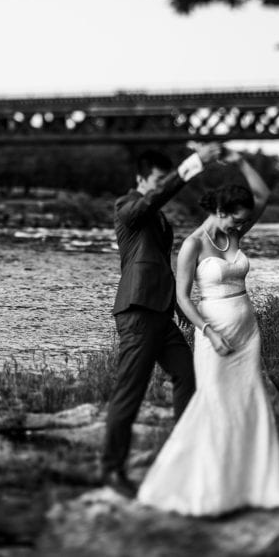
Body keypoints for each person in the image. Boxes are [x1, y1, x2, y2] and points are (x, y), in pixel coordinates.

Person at [136, 148, 279, 516]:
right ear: (219, 213)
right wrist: (207, 331)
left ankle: (250, 486)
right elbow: (181, 297)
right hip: (214, 334)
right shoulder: (192, 245)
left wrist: (239, 161)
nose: (240, 227)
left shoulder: (235, 231)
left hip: (248, 331)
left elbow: (264, 196)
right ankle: (209, 487)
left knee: (248, 403)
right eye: (235, 220)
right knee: (216, 403)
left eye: (242, 222)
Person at [101, 143, 222, 498]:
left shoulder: (155, 216)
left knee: (188, 374)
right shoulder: (127, 207)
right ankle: (112, 470)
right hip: (137, 312)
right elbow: (152, 199)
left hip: (160, 312)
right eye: (155, 180)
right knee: (130, 393)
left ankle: (181, 456)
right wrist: (194, 164)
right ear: (140, 180)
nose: (158, 187)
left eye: (161, 181)